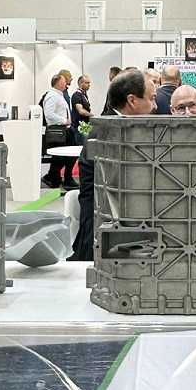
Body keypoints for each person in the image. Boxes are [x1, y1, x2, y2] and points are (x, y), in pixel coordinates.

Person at [70, 69, 157, 262]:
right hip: (105, 239)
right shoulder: (109, 135)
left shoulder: (118, 129)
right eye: (152, 99)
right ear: (132, 101)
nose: (155, 106)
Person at [42, 72, 76, 189]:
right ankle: (53, 178)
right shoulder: (52, 96)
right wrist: (64, 120)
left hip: (65, 130)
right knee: (60, 157)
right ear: (58, 83)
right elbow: (49, 114)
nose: (66, 84)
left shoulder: (59, 95)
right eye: (64, 82)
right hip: (58, 130)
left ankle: (55, 178)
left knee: (68, 156)